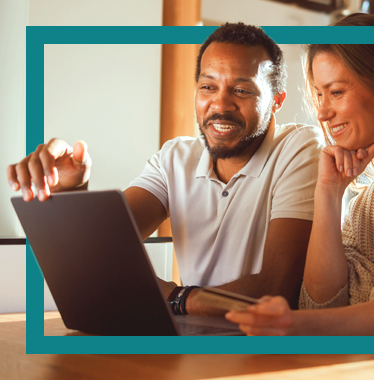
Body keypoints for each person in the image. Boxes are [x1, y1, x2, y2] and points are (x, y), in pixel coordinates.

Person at [6, 23, 323, 316]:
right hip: (192, 339)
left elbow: (274, 291)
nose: (220, 105)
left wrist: (178, 297)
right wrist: (71, 188)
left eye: (241, 90)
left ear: (277, 101)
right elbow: (100, 254)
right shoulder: (175, 156)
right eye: (208, 87)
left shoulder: (301, 147)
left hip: (271, 352)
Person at [226, 13, 374, 338]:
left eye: (336, 92)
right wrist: (328, 194)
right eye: (319, 95)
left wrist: (293, 326)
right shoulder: (369, 203)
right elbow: (325, 307)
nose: (323, 113)